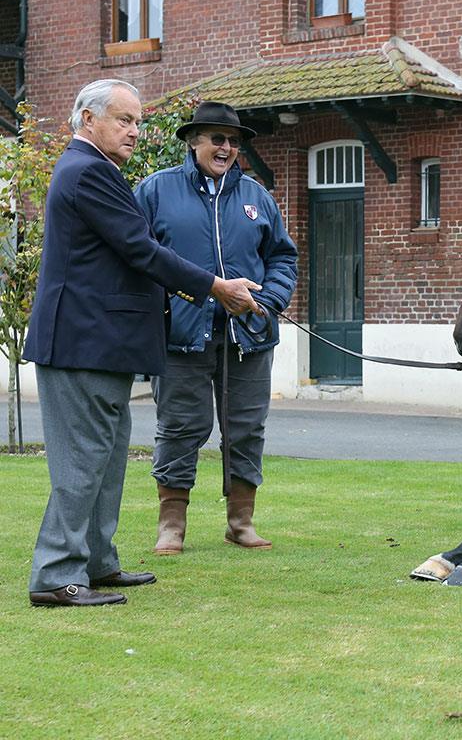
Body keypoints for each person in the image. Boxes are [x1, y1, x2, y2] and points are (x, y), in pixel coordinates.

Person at [24, 80, 263, 608]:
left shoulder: (97, 171)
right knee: (82, 463)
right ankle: (55, 575)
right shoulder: (88, 171)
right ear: (88, 120)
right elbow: (142, 250)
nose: (135, 130)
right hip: (81, 344)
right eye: (124, 119)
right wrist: (216, 286)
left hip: (103, 346)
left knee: (106, 461)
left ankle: (95, 563)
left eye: (137, 121)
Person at [134, 101, 297, 555]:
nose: (226, 148)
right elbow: (135, 257)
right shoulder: (155, 191)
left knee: (246, 428)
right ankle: (172, 526)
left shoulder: (257, 197)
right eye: (216, 139)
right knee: (180, 427)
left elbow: (283, 257)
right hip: (181, 337)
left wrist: (268, 301)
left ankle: (240, 523)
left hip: (248, 336)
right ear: (193, 141)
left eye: (233, 141)